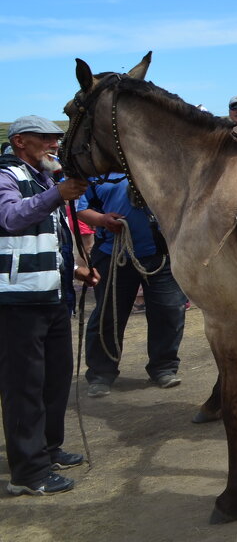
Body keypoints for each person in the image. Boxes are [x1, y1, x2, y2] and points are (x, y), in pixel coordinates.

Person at [0, 116, 88, 496]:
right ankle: (28, 472)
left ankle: (48, 449)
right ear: (20, 141)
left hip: (51, 295)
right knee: (24, 387)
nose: (55, 145)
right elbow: (9, 218)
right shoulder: (6, 175)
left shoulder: (45, 178)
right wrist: (57, 194)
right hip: (18, 300)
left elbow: (52, 234)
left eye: (56, 139)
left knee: (54, 380)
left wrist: (77, 269)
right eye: (46, 139)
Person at [77, 174, 188, 396]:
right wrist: (101, 220)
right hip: (112, 253)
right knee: (108, 314)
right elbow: (80, 208)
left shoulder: (153, 161)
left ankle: (164, 367)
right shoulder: (95, 170)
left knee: (169, 311)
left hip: (160, 253)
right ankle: (101, 373)